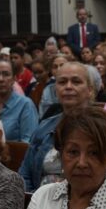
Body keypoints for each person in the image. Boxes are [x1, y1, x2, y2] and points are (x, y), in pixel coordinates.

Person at [20, 62, 96, 192]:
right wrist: (33, 200)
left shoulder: (104, 129)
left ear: (89, 90)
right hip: (39, 202)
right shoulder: (44, 127)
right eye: (62, 82)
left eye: (76, 82)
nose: (68, 87)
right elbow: (25, 174)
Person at [0, 60, 39, 143]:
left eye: (6, 74)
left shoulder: (25, 105)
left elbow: (28, 144)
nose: (1, 79)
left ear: (14, 79)